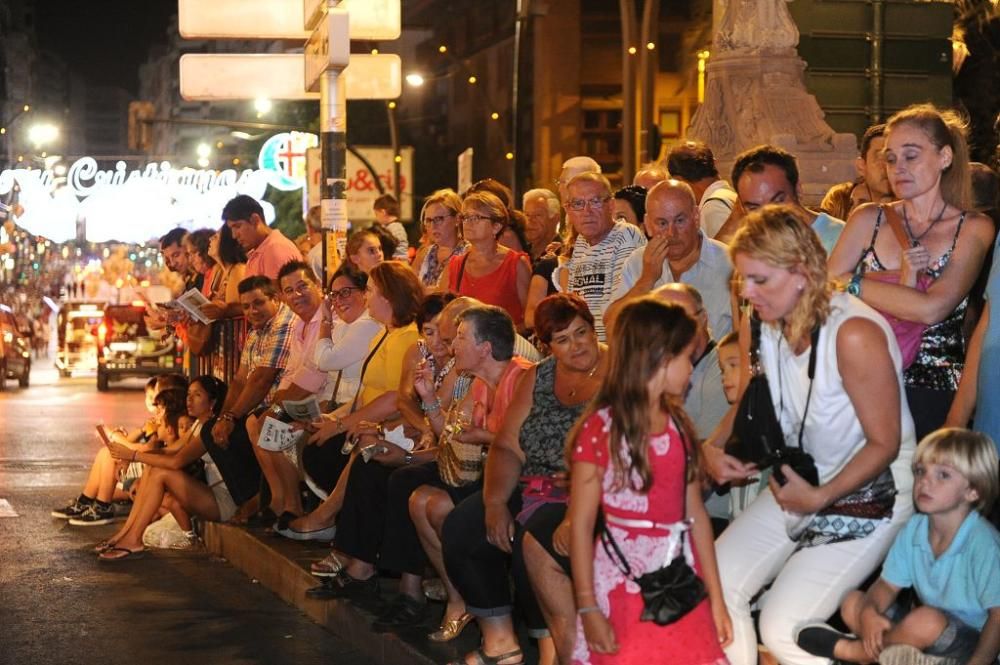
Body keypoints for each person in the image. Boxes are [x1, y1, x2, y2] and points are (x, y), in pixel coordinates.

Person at [708, 205, 917, 665]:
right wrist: (717, 446)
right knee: (717, 583)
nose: (747, 291)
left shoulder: (853, 333)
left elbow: (885, 444)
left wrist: (821, 498)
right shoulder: (763, 320)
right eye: (743, 279)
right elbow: (753, 396)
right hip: (804, 479)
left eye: (759, 279)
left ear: (801, 274)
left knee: (785, 628)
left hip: (874, 489)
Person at [568, 298, 732, 665]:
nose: (692, 368)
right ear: (661, 358)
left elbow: (696, 516)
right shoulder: (601, 429)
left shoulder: (678, 427)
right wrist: (588, 606)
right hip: (623, 579)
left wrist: (717, 601)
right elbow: (580, 525)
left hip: (679, 576)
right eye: (687, 358)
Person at [827, 104, 995, 441]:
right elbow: (822, 292)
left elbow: (932, 308)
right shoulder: (867, 218)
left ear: (944, 157)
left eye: (911, 156)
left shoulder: (973, 228)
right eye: (890, 159)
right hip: (860, 383)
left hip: (932, 392)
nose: (897, 168)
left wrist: (853, 283)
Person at [796, 427, 1000, 665]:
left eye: (943, 475)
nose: (925, 482)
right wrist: (870, 613)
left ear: (973, 491)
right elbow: (887, 586)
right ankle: (903, 656)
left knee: (925, 620)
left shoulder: (984, 543)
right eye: (921, 471)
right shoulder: (915, 528)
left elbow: (997, 619)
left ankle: (858, 653)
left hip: (975, 644)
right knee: (853, 602)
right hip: (925, 635)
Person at [481, 294, 608, 664]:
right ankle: (500, 640)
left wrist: (584, 477)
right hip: (534, 485)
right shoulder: (541, 374)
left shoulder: (620, 366)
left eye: (581, 332)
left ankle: (559, 652)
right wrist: (494, 503)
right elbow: (506, 446)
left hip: (593, 488)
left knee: (535, 543)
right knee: (464, 526)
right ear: (547, 345)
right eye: (563, 339)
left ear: (592, 326)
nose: (577, 345)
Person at [284, 262, 423, 534]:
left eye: (370, 290)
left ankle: (328, 519)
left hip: (393, 426)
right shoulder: (385, 333)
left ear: (388, 296)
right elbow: (365, 392)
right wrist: (333, 418)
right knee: (313, 441)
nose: (366, 296)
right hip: (366, 419)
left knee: (340, 449)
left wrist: (341, 425)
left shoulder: (408, 338)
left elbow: (395, 398)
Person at [98, 376, 261, 560]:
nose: (189, 400)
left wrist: (133, 456)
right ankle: (126, 535)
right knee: (153, 469)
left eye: (197, 395)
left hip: (225, 501)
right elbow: (169, 451)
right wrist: (131, 457)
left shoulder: (211, 428)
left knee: (160, 472)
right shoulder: (199, 425)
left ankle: (133, 538)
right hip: (210, 492)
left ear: (213, 401)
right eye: (188, 394)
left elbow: (177, 461)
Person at [249, 260, 331, 526]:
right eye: (289, 290)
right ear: (283, 296)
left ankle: (293, 505)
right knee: (255, 422)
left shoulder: (327, 321)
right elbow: (291, 372)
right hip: (304, 398)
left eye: (303, 286)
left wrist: (277, 408)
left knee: (272, 425)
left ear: (317, 286)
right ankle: (279, 497)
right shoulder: (299, 325)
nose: (297, 295)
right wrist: (277, 402)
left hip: (324, 400)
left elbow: (314, 374)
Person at [210, 276, 296, 522]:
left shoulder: (284, 324)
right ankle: (251, 498)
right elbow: (239, 380)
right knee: (211, 431)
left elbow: (262, 379)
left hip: (279, 406)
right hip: (257, 408)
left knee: (251, 424)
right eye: (246, 306)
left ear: (275, 299)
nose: (252, 311)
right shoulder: (257, 330)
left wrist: (230, 417)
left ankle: (265, 499)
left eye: (258, 303)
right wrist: (222, 418)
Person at [606, 179, 734, 341]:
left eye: (680, 221)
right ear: (648, 224)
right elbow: (611, 329)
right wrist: (646, 280)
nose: (671, 233)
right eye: (662, 223)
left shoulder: (729, 264)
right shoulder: (637, 262)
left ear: (696, 217)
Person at [51, 376, 188, 525]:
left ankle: (101, 506)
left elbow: (147, 449)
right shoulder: (158, 420)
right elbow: (139, 442)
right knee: (106, 456)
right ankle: (87, 501)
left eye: (155, 393)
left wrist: (115, 438)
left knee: (108, 455)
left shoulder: (169, 421)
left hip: (148, 468)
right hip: (143, 465)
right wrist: (123, 440)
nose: (153, 400)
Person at [557, 172, 647, 341]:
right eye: (578, 204)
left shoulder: (626, 234)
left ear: (611, 205)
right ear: (568, 210)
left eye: (595, 202)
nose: (587, 211)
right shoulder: (582, 242)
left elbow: (620, 310)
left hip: (617, 347)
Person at [439, 191, 531, 330]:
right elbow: (441, 316)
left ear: (496, 226)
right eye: (465, 217)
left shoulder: (515, 264)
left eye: (476, 217)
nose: (468, 223)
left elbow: (530, 319)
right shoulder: (455, 265)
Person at [730, 144, 846, 254]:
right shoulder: (746, 251)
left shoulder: (843, 238)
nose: (768, 216)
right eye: (754, 208)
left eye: (777, 202)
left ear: (798, 189)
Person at [667, 140, 740, 239]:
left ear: (680, 180)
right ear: (714, 163)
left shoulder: (714, 207)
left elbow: (721, 253)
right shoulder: (729, 194)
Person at [820, 124, 894, 221]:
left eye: (892, 158)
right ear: (861, 166)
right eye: (880, 157)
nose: (887, 166)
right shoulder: (842, 199)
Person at [223, 194, 302, 280]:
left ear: (255, 220)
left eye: (237, 226)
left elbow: (275, 293)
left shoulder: (275, 250)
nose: (234, 235)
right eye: (231, 229)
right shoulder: (263, 250)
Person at [523, 188, 564, 330]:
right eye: (527, 215)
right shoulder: (520, 252)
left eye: (538, 215)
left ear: (556, 218)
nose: (530, 221)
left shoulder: (563, 256)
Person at [411, 189, 468, 288]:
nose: (433, 226)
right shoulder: (423, 253)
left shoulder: (468, 253)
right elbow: (408, 287)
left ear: (457, 219)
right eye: (428, 220)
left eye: (439, 219)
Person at [200, 223, 247, 320]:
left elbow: (237, 308)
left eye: (216, 237)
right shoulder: (218, 270)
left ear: (225, 243)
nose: (210, 239)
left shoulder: (238, 270)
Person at [373, 193, 409, 260]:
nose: (376, 218)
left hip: (396, 265)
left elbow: (398, 254)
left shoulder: (393, 229)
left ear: (383, 212)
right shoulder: (396, 227)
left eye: (376, 214)